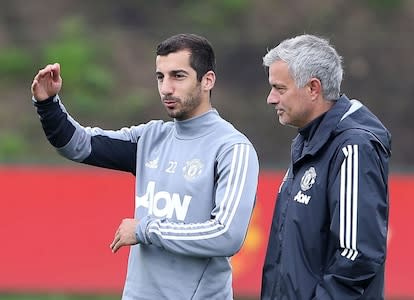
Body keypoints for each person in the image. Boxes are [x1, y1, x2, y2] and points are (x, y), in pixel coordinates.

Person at [30, 33, 259, 300]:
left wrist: (146, 229)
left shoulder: (232, 148)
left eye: (178, 76)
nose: (166, 88)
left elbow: (227, 235)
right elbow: (78, 145)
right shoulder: (150, 138)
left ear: (207, 80)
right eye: (160, 77)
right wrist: (47, 104)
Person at [260, 34, 392, 299]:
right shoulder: (307, 142)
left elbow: (357, 254)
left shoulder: (354, 146)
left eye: (280, 88)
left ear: (313, 88)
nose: (271, 99)